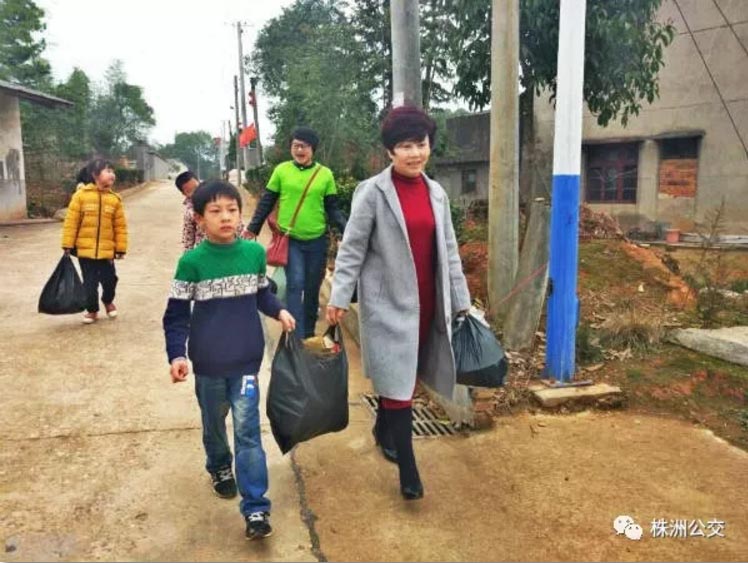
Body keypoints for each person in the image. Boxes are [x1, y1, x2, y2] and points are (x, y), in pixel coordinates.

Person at [325, 105, 471, 500]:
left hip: (428, 303)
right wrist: (340, 296)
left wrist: (461, 301)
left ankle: (382, 427)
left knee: (405, 378)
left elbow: (450, 251)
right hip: (387, 305)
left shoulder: (436, 193)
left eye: (420, 144)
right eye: (405, 146)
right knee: (399, 383)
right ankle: (409, 469)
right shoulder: (372, 192)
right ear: (390, 151)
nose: (414, 153)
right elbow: (352, 248)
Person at [162, 180, 295, 540]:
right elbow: (176, 316)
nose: (225, 217)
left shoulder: (253, 254)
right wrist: (176, 354)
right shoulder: (191, 263)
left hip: (246, 361)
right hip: (208, 363)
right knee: (214, 422)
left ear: (240, 214)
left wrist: (279, 310)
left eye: (232, 210)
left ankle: (256, 508)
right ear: (199, 219)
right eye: (215, 211)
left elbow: (262, 294)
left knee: (248, 432)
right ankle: (220, 465)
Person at [242, 126, 347, 338]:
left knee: (312, 287)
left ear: (313, 149)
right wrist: (253, 227)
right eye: (295, 145)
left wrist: (347, 232)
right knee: (295, 284)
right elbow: (267, 201)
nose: (299, 150)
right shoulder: (281, 170)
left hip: (317, 240)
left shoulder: (325, 174)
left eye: (304, 146)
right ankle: (295, 335)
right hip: (291, 240)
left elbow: (333, 208)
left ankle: (308, 333)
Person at [61, 158, 128, 324]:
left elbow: (120, 226)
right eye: (108, 171)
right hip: (86, 251)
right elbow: (71, 222)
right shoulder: (80, 196)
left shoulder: (115, 199)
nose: (112, 174)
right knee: (89, 283)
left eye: (113, 171)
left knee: (110, 280)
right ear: (95, 175)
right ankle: (92, 310)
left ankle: (107, 300)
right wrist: (67, 244)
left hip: (107, 251)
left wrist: (120, 248)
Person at [177, 170, 246, 251]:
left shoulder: (218, 201)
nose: (194, 192)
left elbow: (239, 227)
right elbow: (188, 237)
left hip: (230, 248)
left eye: (196, 187)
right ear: (184, 194)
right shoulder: (189, 213)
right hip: (204, 252)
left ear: (200, 182)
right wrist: (188, 254)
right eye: (189, 191)